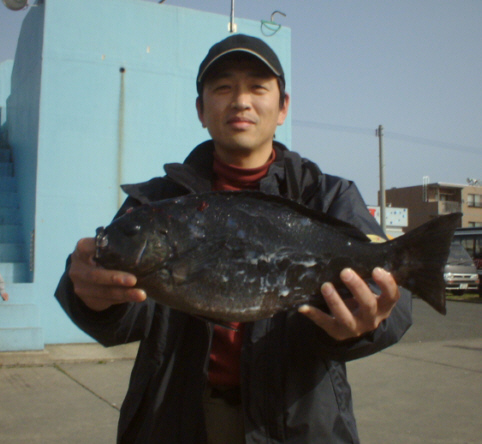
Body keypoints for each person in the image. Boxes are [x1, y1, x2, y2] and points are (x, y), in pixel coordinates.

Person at [55, 34, 412, 444]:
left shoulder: (328, 196)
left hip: (300, 428)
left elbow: (395, 295)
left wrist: (370, 321)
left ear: (283, 107)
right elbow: (128, 313)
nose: (241, 101)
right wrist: (91, 297)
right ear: (200, 110)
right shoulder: (154, 204)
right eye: (223, 88)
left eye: (257, 87)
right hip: (174, 423)